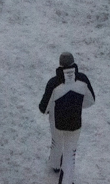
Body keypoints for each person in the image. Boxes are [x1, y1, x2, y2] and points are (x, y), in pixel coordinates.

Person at [39, 52, 95, 184]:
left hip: (56, 122)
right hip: (75, 123)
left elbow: (43, 108)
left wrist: (52, 108)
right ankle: (67, 180)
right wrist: (77, 105)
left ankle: (55, 164)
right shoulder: (83, 80)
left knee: (56, 141)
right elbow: (91, 100)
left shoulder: (53, 83)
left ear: (60, 64)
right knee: (70, 153)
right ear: (73, 64)